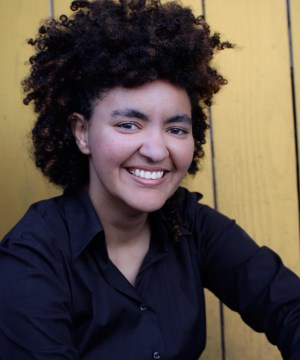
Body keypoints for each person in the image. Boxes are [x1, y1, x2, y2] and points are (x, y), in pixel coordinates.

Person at [0, 0, 299, 358]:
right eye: (128, 124)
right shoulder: (32, 256)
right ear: (82, 133)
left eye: (175, 128)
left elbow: (288, 307)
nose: (157, 151)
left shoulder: (191, 224)